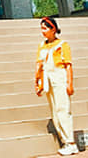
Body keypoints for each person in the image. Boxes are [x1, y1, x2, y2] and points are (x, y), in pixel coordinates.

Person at [34, 15, 77, 156]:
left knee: (62, 109)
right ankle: (65, 141)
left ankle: (71, 142)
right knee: (54, 111)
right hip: (47, 79)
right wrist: (37, 82)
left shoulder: (62, 45)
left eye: (45, 28)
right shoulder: (42, 46)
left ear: (53, 29)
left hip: (60, 77)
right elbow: (39, 65)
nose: (43, 31)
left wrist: (70, 83)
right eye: (41, 28)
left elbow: (68, 66)